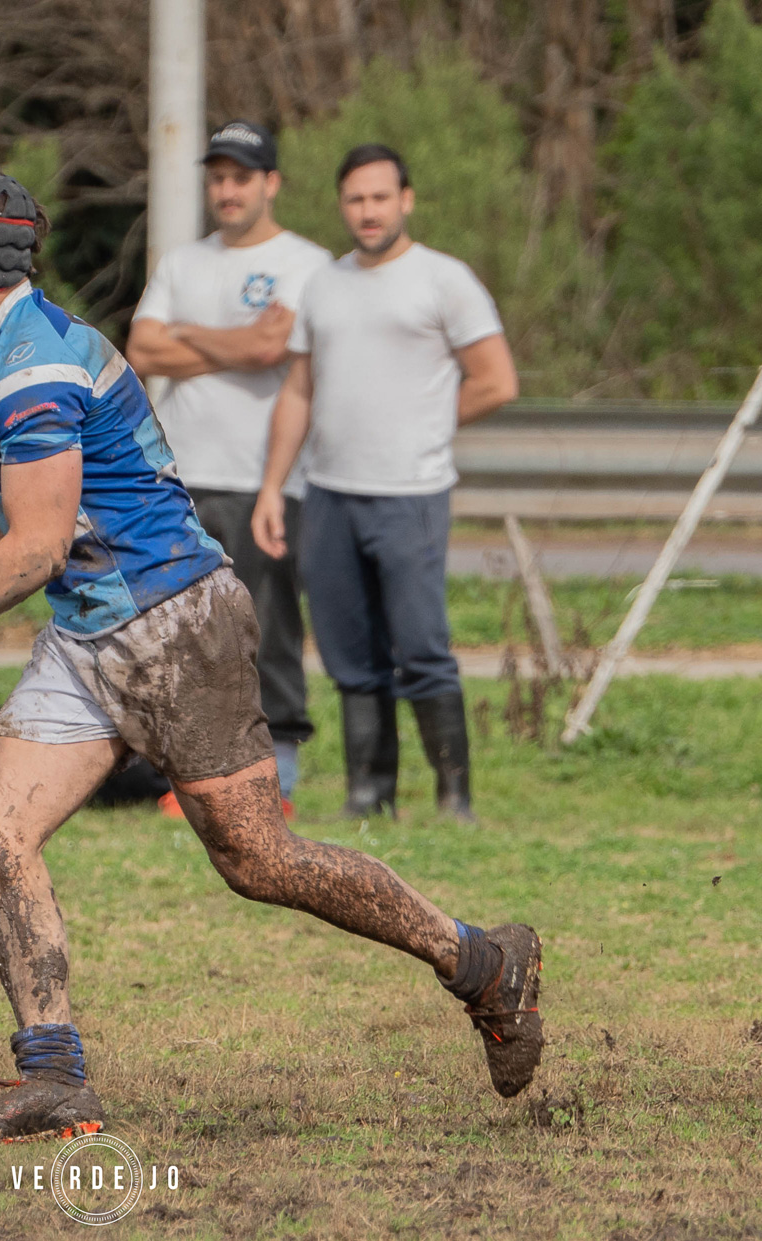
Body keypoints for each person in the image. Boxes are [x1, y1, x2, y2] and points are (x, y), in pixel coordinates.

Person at [0, 166, 543, 1139]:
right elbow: (0, 523)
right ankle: (54, 1075)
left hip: (177, 627)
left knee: (257, 858)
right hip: (90, 638)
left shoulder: (34, 361)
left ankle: (479, 959)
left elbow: (37, 546)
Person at [253, 144, 518, 823]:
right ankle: (370, 793)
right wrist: (273, 486)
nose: (367, 211)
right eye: (354, 200)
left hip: (411, 495)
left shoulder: (444, 280)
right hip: (329, 494)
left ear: (406, 200)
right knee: (349, 652)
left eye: (379, 197)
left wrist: (427, 423)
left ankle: (454, 796)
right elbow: (299, 390)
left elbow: (496, 380)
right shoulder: (325, 284)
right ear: (341, 206)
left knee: (421, 645)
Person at [127, 121, 330, 816]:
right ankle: (192, 778)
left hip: (262, 478)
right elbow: (143, 348)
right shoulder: (184, 262)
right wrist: (235, 345)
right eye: (217, 177)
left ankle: (279, 777)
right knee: (184, 630)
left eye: (241, 177)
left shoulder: (308, 262)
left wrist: (189, 334)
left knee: (263, 627)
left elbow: (278, 347)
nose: (227, 190)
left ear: (270, 183)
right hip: (179, 475)